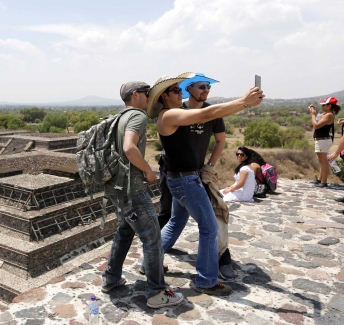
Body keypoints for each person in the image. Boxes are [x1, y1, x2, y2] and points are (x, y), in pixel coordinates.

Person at [147, 72, 263, 296]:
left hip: (181, 178)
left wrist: (244, 104)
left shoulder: (171, 114)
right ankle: (206, 280)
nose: (180, 93)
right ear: (163, 97)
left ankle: (149, 263)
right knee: (209, 227)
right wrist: (242, 102)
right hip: (185, 180)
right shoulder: (168, 115)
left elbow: (208, 115)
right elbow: (205, 114)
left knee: (174, 222)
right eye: (175, 90)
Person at [102, 81, 184, 309]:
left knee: (124, 231)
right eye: (147, 94)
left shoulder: (117, 118)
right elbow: (129, 147)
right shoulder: (137, 116)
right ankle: (157, 292)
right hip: (133, 189)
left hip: (116, 189)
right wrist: (148, 171)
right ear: (135, 95)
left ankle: (111, 278)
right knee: (152, 238)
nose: (150, 98)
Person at [310, 97, 340, 188]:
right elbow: (318, 119)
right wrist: (315, 113)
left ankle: (324, 182)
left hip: (323, 140)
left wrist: (312, 115)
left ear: (329, 106)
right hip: (322, 140)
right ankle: (320, 179)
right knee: (322, 161)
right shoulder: (325, 114)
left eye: (324, 105)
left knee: (323, 162)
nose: (322, 107)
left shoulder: (329, 115)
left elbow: (316, 125)